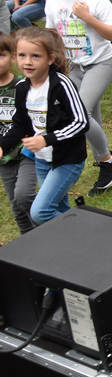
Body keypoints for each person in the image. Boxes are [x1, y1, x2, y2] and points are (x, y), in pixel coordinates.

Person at [46, 0, 112, 195]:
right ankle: (105, 165)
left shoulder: (97, 1)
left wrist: (88, 17)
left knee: (81, 116)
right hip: (74, 66)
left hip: (101, 62)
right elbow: (53, 35)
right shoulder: (54, 2)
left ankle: (107, 160)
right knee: (90, 120)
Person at [0, 27, 87, 225]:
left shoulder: (61, 84)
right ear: (16, 56)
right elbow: (20, 124)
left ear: (50, 59)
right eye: (22, 55)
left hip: (67, 159)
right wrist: (3, 145)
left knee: (40, 212)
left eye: (35, 56)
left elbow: (81, 122)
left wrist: (45, 140)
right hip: (42, 160)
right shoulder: (22, 88)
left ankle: (84, 237)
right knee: (60, 209)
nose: (28, 62)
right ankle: (78, 244)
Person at [0, 33, 36, 233]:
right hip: (4, 159)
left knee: (24, 196)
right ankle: (27, 242)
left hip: (27, 152)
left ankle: (48, 232)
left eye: (1, 55)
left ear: (13, 57)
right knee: (16, 206)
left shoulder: (23, 85)